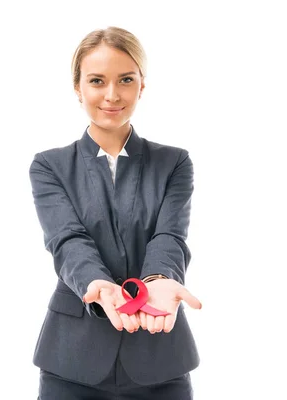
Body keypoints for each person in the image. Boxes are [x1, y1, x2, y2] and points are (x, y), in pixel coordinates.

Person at [28, 26, 203, 399]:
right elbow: (67, 240)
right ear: (78, 88)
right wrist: (96, 284)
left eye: (125, 79)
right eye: (97, 81)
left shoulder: (173, 162)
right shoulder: (50, 166)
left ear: (142, 85)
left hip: (160, 359)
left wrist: (156, 280)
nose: (112, 95)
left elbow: (170, 236)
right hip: (72, 363)